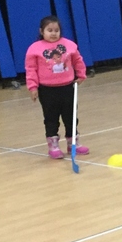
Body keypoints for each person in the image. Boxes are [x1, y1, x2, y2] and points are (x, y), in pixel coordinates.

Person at [25, 15, 89, 159]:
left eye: (56, 30)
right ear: (42, 31)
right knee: (51, 117)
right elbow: (31, 69)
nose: (53, 33)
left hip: (67, 87)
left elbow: (77, 60)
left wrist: (81, 74)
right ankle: (53, 145)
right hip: (47, 90)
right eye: (50, 30)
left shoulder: (69, 45)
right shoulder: (34, 49)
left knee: (71, 116)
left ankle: (73, 143)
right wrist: (33, 87)